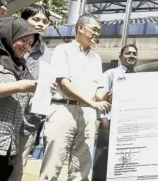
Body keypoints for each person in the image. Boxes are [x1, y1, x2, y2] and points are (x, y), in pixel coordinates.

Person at [39, 14, 110, 181]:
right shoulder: (62, 50)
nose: (97, 34)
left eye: (99, 31)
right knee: (52, 166)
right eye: (94, 29)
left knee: (81, 169)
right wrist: (93, 102)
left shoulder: (96, 58)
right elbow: (64, 84)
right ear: (80, 28)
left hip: (87, 114)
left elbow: (98, 90)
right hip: (63, 109)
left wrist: (105, 97)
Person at [0, 17, 39, 181]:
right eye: (23, 39)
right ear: (9, 35)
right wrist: (20, 86)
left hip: (8, 149)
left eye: (30, 44)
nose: (27, 47)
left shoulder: (22, 68)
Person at [8, 4, 52, 181]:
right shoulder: (8, 45)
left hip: (28, 122)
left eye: (45, 21)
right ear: (23, 20)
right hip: (2, 117)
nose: (41, 24)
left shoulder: (50, 55)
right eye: (36, 19)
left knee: (17, 171)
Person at [92, 44, 139, 181]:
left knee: (125, 163)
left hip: (130, 127)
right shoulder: (110, 74)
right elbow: (100, 98)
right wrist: (104, 120)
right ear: (120, 56)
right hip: (110, 124)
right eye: (128, 53)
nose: (131, 56)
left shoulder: (139, 77)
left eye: (134, 54)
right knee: (103, 161)